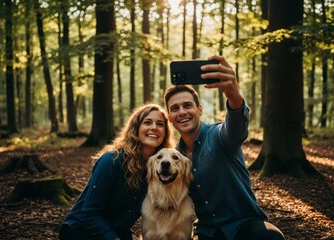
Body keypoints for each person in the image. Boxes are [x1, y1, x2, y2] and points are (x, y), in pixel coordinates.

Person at [164, 55, 285, 240]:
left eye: (187, 105)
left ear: (199, 109)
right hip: (207, 231)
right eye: (175, 108)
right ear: (170, 117)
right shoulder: (175, 158)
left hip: (244, 225)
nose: (182, 112)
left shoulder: (219, 135)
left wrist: (233, 95)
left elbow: (236, 126)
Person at [59, 103, 174, 240]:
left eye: (160, 124)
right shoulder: (111, 160)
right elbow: (89, 214)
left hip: (118, 231)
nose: (154, 128)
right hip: (81, 232)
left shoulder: (159, 170)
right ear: (136, 128)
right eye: (147, 122)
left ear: (165, 133)